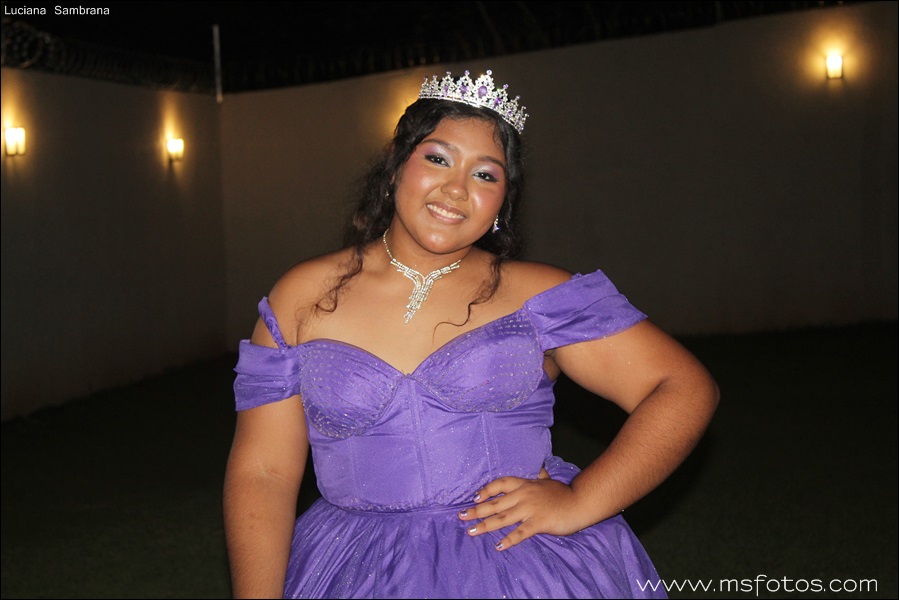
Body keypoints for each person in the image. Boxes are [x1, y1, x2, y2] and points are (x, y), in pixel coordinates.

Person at [223, 69, 719, 599]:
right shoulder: (301, 295)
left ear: (503, 200)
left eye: (485, 174)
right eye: (438, 159)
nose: (457, 189)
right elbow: (264, 473)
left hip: (520, 565)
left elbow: (683, 388)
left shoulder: (541, 296)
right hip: (350, 570)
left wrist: (581, 500)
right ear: (395, 166)